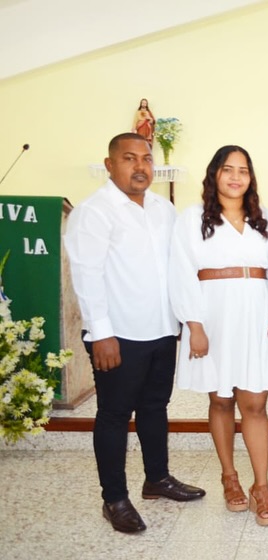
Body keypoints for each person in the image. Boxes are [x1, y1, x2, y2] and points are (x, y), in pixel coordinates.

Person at [64, 133, 205, 534]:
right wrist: (101, 333)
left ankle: (157, 479)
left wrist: (183, 320)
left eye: (146, 158)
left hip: (160, 329)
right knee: (113, 414)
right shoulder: (93, 212)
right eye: (129, 158)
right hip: (118, 335)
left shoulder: (163, 209)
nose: (140, 166)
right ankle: (114, 499)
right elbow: (87, 275)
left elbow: (177, 267)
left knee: (155, 407)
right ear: (110, 165)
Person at [168, 145, 268, 526]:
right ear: (214, 174)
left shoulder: (264, 218)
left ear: (251, 178)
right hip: (212, 316)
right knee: (220, 400)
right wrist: (194, 325)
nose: (236, 177)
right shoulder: (192, 219)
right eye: (228, 169)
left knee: (255, 404)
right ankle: (229, 477)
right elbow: (180, 272)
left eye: (243, 170)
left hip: (256, 315)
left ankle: (261, 487)